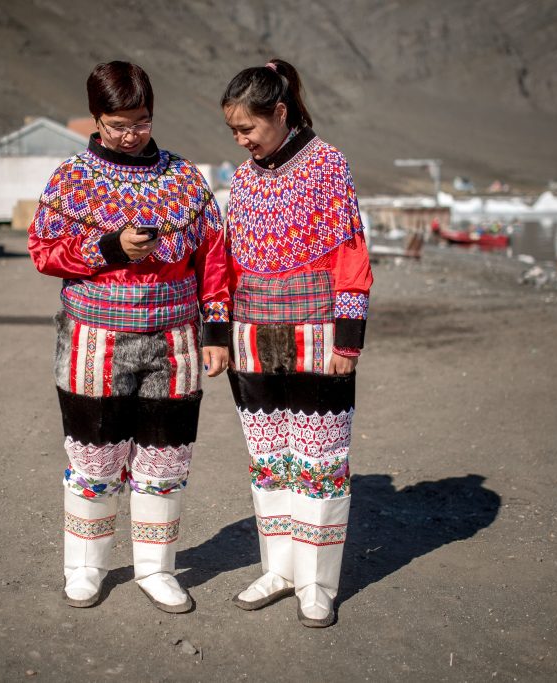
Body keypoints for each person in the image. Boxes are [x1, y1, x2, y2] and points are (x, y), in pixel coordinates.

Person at [28, 61, 231, 613]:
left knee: (166, 458)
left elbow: (214, 258)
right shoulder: (71, 178)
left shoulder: (185, 178)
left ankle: (156, 570)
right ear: (97, 119)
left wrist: (217, 330)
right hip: (93, 339)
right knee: (93, 457)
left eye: (141, 122)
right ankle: (86, 568)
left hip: (176, 341)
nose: (132, 134)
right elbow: (43, 252)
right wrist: (111, 248)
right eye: (119, 125)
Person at [220, 58, 373, 627]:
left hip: (317, 336)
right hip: (252, 338)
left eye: (248, 129)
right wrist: (222, 336)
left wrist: (348, 341)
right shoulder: (242, 177)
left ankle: (317, 583)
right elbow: (229, 262)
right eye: (234, 132)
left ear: (279, 113)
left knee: (321, 462)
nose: (242, 141)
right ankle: (279, 568)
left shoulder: (329, 165)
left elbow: (351, 256)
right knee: (270, 461)